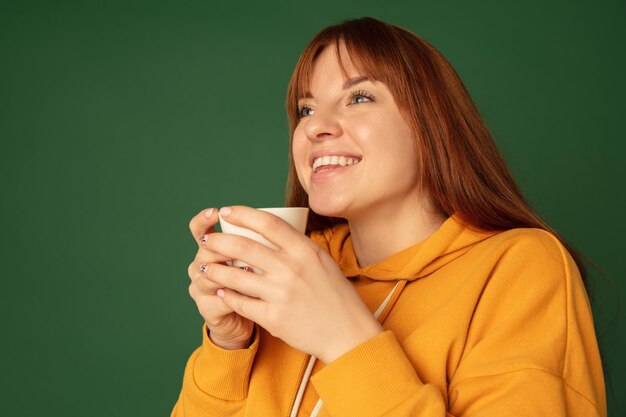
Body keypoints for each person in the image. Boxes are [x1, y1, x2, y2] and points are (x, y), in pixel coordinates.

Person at [171, 17, 606, 417]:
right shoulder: (288, 270)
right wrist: (230, 346)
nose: (315, 126)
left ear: (431, 124)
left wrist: (344, 339)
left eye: (359, 97)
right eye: (306, 109)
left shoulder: (520, 267)